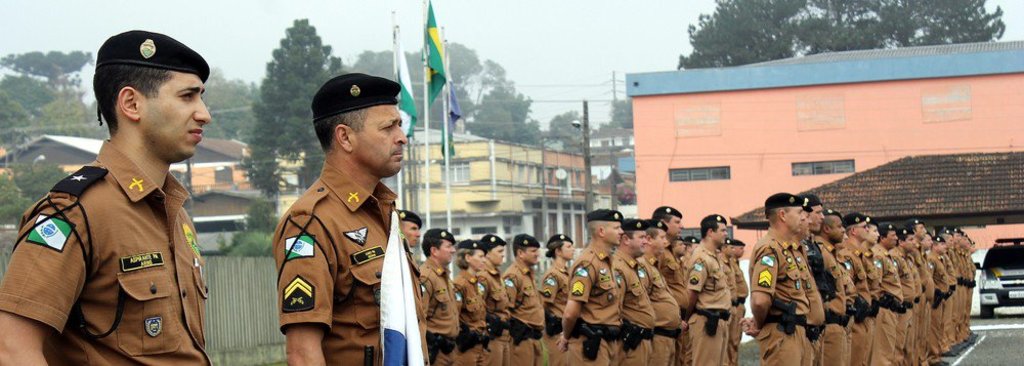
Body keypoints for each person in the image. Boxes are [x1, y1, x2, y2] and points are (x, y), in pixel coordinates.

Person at [0, 30, 212, 365]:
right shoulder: (74, 213)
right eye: (188, 97)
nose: (204, 113)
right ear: (131, 103)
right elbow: (12, 348)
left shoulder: (173, 211)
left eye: (201, 97)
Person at [271, 73, 425, 365]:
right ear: (344, 137)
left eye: (400, 125)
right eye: (388, 127)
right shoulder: (311, 223)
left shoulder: (382, 211)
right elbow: (303, 353)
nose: (402, 137)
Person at [743, 193, 813, 366]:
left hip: (795, 332)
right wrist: (758, 324)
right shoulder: (769, 249)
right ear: (782, 215)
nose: (803, 217)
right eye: (798, 213)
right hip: (782, 334)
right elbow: (760, 300)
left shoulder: (787, 248)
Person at [557, 209, 624, 365]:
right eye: (616, 228)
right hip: (592, 344)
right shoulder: (587, 263)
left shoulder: (607, 261)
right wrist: (566, 337)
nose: (621, 232)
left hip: (608, 342)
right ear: (601, 231)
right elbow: (570, 313)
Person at [683, 215, 733, 365]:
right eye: (723, 230)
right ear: (710, 232)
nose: (726, 233)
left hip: (719, 321)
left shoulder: (714, 257)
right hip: (706, 321)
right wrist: (686, 318)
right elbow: (692, 293)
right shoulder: (701, 258)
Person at [613, 219, 655, 366]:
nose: (646, 242)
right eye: (641, 238)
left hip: (642, 341)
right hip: (630, 343)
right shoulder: (618, 268)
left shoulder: (632, 266)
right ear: (625, 239)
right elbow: (614, 309)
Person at [652, 206, 691, 366]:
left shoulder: (670, 252)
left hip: (676, 319)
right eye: (677, 222)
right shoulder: (658, 252)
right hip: (662, 323)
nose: (681, 226)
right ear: (663, 223)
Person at [642, 220, 682, 366]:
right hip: (657, 334)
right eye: (662, 238)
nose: (666, 242)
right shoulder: (642, 266)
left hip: (669, 334)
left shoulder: (653, 266)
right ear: (649, 240)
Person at [819, 209, 854, 366]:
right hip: (830, 324)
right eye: (840, 227)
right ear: (827, 229)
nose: (843, 231)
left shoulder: (832, 254)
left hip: (841, 322)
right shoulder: (821, 253)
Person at [419, 229, 459, 365]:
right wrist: (433, 341)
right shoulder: (426, 277)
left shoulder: (443, 276)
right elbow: (419, 318)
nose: (453, 250)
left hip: (450, 349)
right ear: (434, 251)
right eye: (448, 246)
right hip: (437, 351)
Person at [504, 234, 545, 366]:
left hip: (535, 337)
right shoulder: (513, 276)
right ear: (520, 253)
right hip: (522, 340)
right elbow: (506, 310)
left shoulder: (528, 274)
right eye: (533, 251)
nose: (537, 254)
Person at [870, 223, 904, 366]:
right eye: (893, 235)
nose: (896, 238)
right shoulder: (878, 255)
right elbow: (875, 283)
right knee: (883, 353)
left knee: (890, 349)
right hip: (885, 308)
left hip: (892, 309)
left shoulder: (886, 255)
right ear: (883, 238)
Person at [453, 239, 490, 366]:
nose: (484, 260)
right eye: (480, 256)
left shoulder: (476, 284)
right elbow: (454, 316)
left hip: (480, 346)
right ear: (468, 257)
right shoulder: (459, 284)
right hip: (466, 348)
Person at [541, 234, 574, 366]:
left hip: (567, 330)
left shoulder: (568, 272)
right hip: (556, 331)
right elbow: (544, 304)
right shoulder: (552, 275)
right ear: (558, 251)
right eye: (569, 246)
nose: (573, 249)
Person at [480, 234, 512, 366]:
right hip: (492, 337)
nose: (503, 255)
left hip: (504, 336)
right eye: (499, 251)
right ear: (487, 254)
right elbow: (477, 307)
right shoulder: (482, 277)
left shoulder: (497, 276)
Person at [725, 238, 749, 366]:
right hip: (733, 305)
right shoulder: (727, 263)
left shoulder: (735, 263)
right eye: (740, 248)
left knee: (735, 341)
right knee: (731, 342)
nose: (743, 251)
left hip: (740, 305)